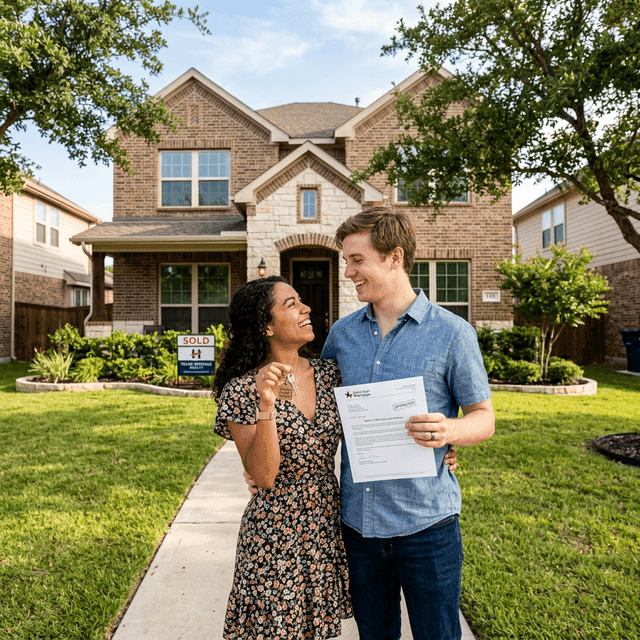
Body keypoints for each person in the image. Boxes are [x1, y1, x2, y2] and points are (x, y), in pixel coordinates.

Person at [320, 207, 495, 640]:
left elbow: (483, 417)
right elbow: (316, 414)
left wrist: (449, 432)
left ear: (394, 257)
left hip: (427, 527)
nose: (348, 272)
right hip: (359, 526)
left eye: (357, 260)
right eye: (346, 261)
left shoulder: (453, 334)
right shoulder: (341, 336)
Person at [212, 275, 353, 639]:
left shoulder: (331, 374)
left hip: (324, 525)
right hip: (274, 532)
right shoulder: (241, 390)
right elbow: (264, 475)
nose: (306, 309)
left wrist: (436, 449)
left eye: (302, 301)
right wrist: (266, 405)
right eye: (291, 304)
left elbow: (375, 422)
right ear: (266, 326)